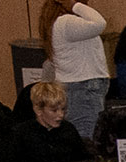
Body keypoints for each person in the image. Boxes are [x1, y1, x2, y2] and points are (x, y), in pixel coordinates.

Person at [39, 1, 111, 142]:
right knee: (87, 139)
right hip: (83, 89)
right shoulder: (66, 22)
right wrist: (74, 5)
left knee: (85, 136)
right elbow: (99, 23)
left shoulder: (63, 24)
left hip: (80, 88)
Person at [3, 80, 92, 162]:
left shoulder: (68, 129)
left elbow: (82, 160)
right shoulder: (21, 133)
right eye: (54, 110)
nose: (61, 115)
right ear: (38, 110)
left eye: (63, 109)